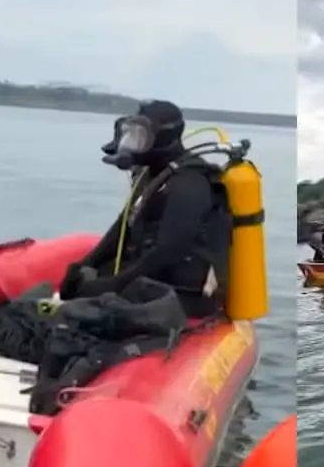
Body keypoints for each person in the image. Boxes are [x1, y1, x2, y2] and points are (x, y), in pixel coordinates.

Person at [59, 100, 233, 318]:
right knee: (78, 287)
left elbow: (169, 251)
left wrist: (111, 285)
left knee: (86, 308)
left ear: (163, 137)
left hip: (184, 294)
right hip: (151, 279)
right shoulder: (148, 173)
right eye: (129, 134)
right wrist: (85, 264)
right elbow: (124, 225)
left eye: (140, 136)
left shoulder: (189, 183)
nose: (132, 143)